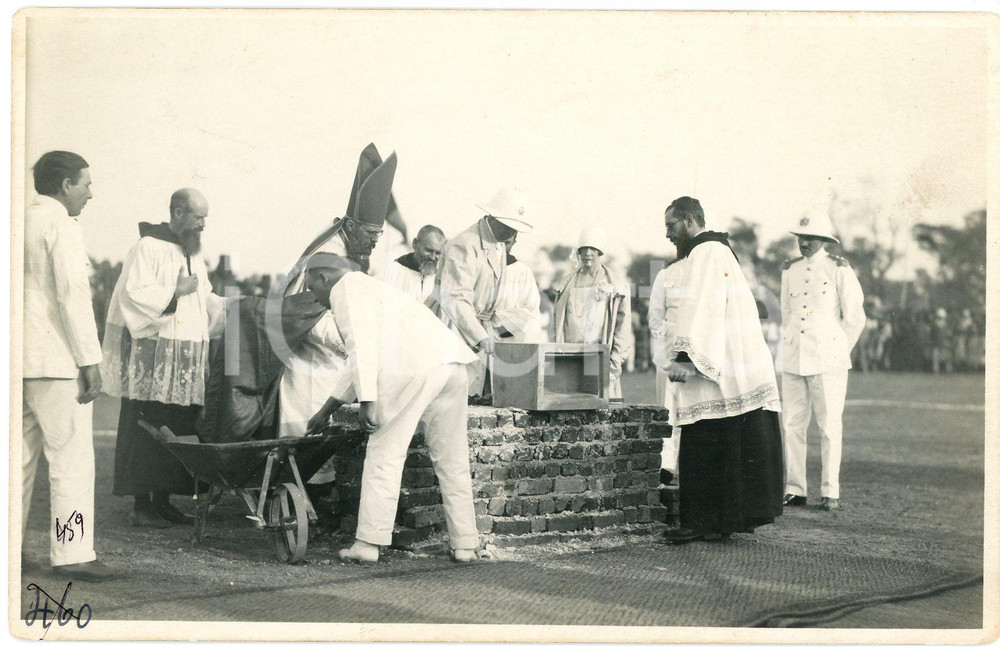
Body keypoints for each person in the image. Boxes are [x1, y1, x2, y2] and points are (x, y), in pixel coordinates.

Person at [303, 254, 480, 564]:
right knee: (452, 459)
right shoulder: (371, 288)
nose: (315, 298)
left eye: (311, 288)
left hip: (417, 369)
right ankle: (465, 544)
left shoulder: (344, 289)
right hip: (452, 366)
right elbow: (358, 359)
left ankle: (368, 544)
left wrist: (368, 403)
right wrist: (327, 409)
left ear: (323, 278)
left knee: (385, 453)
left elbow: (360, 349)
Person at [658, 197, 784, 544]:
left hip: (716, 365)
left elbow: (703, 308)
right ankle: (722, 521)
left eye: (670, 225)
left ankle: (700, 522)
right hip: (731, 363)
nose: (667, 234)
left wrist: (685, 358)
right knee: (726, 438)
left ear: (688, 221)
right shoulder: (717, 252)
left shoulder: (705, 253)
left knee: (703, 439)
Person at [100, 188, 226, 528]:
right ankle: (142, 505)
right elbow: (134, 295)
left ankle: (164, 501)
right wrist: (175, 293)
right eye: (199, 217)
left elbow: (205, 297)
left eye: (206, 218)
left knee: (178, 425)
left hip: (182, 358)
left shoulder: (192, 251)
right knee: (147, 425)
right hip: (154, 355)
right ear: (178, 212)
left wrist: (232, 307)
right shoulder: (147, 246)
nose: (203, 225)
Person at [22, 151, 119, 581]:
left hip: (15, 360)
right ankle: (73, 552)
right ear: (64, 186)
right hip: (56, 361)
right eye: (86, 184)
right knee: (71, 460)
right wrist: (90, 361)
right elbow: (72, 295)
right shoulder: (61, 223)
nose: (91, 193)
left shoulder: (16, 219)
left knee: (15, 462)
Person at [780, 212, 865, 512]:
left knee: (829, 425)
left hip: (827, 359)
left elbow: (854, 317)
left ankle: (831, 491)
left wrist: (837, 349)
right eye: (801, 238)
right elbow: (787, 313)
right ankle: (795, 488)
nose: (803, 243)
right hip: (793, 355)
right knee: (792, 424)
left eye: (810, 238)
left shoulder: (838, 269)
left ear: (825, 241)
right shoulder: (789, 269)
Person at [438, 187, 533, 397]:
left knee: (478, 393)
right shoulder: (464, 245)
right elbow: (455, 298)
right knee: (454, 393)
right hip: (456, 327)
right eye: (508, 225)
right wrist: (480, 336)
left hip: (481, 330)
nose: (511, 233)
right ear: (493, 217)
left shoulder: (498, 244)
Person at [281, 144, 397, 295]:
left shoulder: (353, 244)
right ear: (350, 225)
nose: (375, 239)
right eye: (370, 233)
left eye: (378, 233)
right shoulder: (330, 255)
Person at [552, 227, 631, 402]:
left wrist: (615, 361)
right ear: (578, 252)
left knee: (600, 410)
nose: (587, 253)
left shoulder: (615, 284)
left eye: (592, 249)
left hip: (599, 358)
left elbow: (623, 326)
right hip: (570, 359)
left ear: (600, 251)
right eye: (583, 249)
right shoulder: (567, 283)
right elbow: (557, 322)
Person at [648, 259, 684, 485]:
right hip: (669, 354)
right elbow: (655, 319)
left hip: (697, 357)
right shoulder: (666, 275)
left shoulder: (705, 271)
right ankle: (666, 467)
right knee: (667, 411)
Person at [380, 224, 446, 311]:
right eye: (428, 250)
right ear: (414, 244)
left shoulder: (442, 282)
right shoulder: (392, 273)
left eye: (438, 253)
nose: (433, 257)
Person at [492, 234, 544, 343]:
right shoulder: (479, 266)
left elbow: (530, 308)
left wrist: (496, 329)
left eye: (507, 243)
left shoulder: (522, 271)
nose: (501, 247)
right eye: (499, 241)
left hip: (509, 337)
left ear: (514, 242)